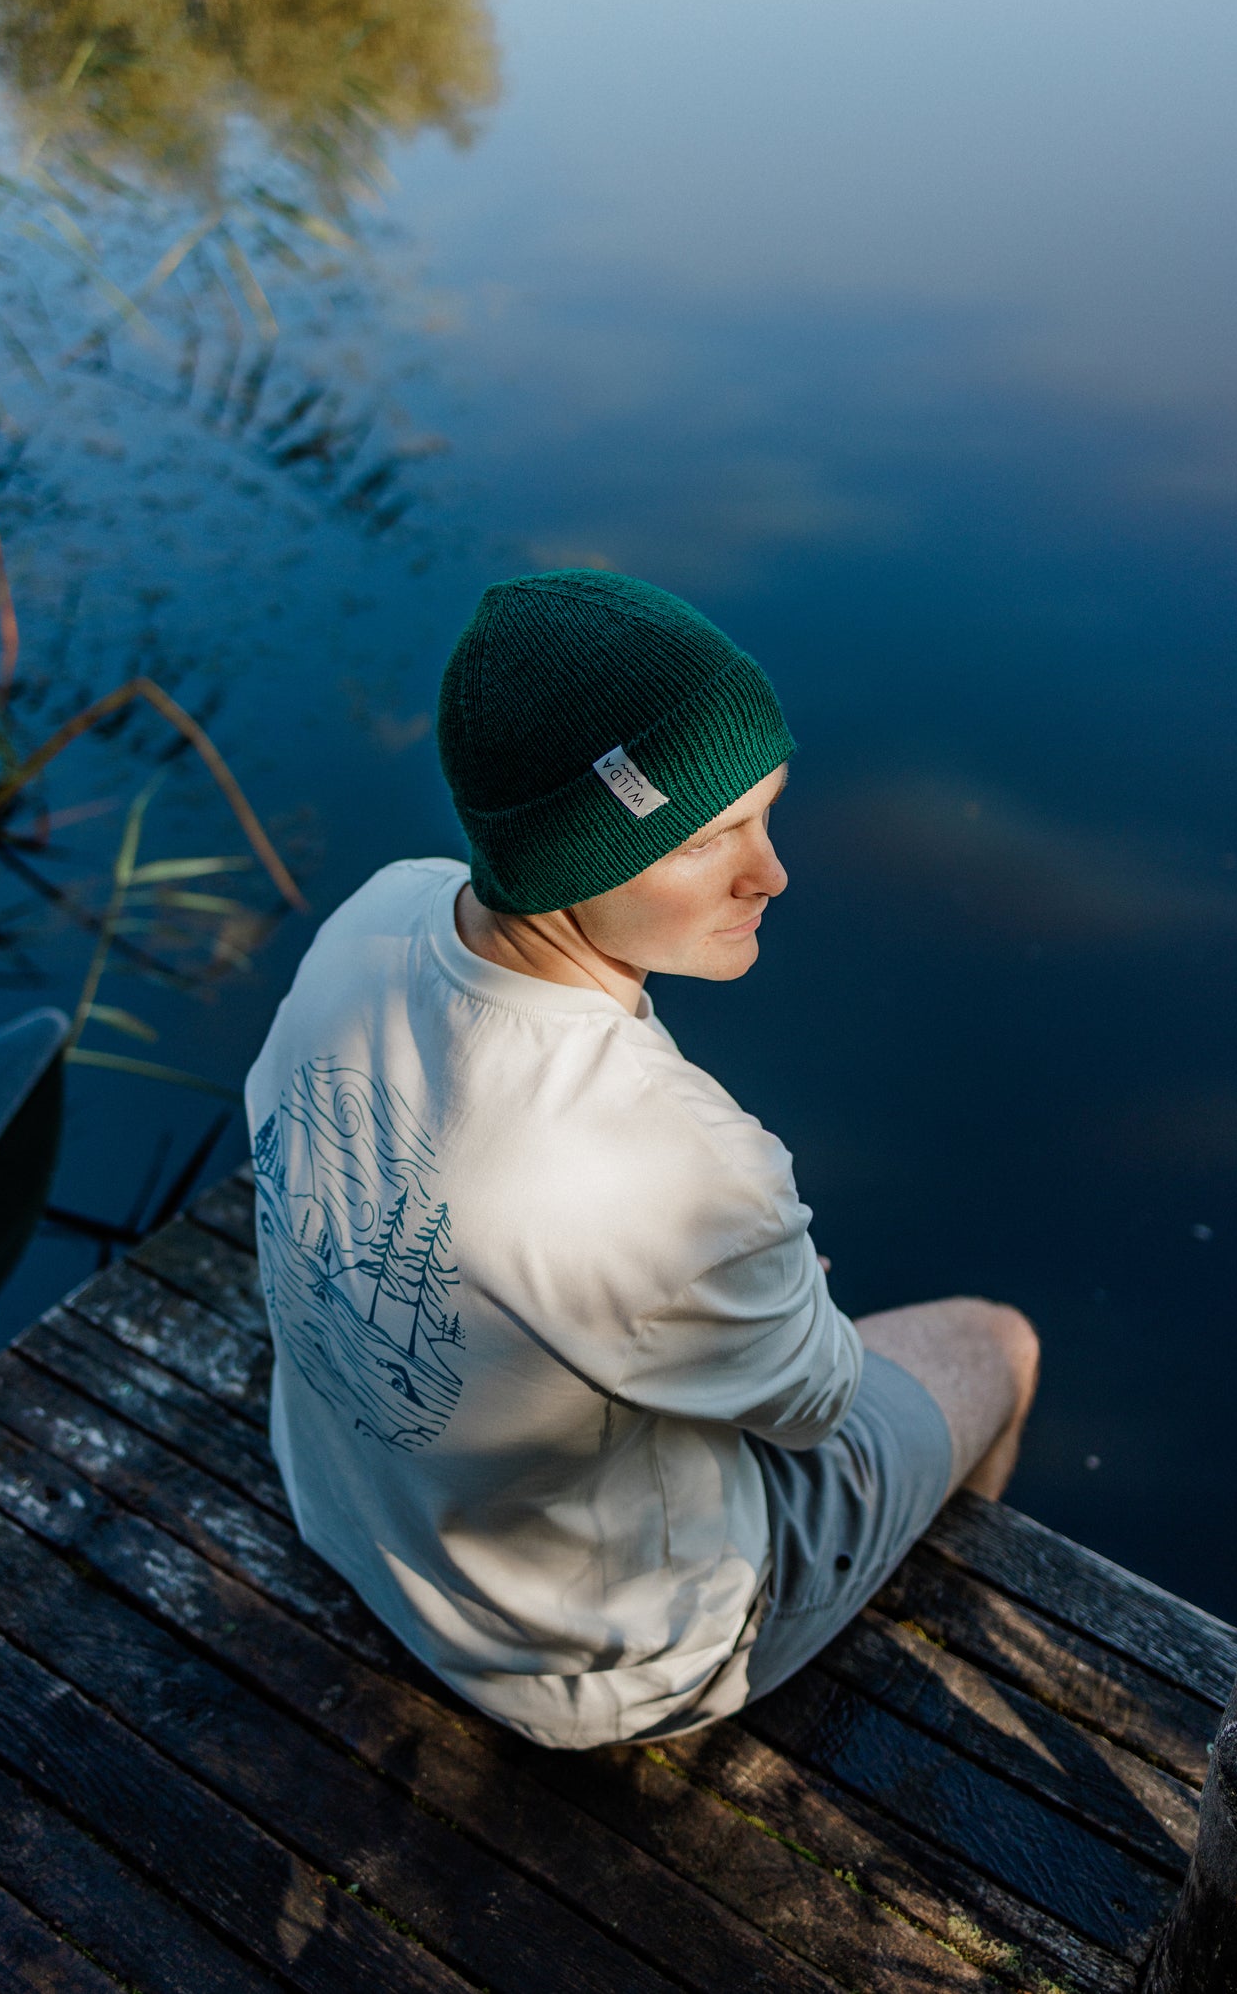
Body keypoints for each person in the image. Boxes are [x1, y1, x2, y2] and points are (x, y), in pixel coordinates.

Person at [245, 569, 1039, 1750]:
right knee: (997, 1342)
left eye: (765, 817)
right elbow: (814, 1405)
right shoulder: (681, 1169)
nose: (769, 874)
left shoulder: (379, 912)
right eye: (710, 838)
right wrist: (779, 1281)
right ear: (573, 851)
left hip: (347, 1518)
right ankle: (944, 1655)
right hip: (588, 1672)